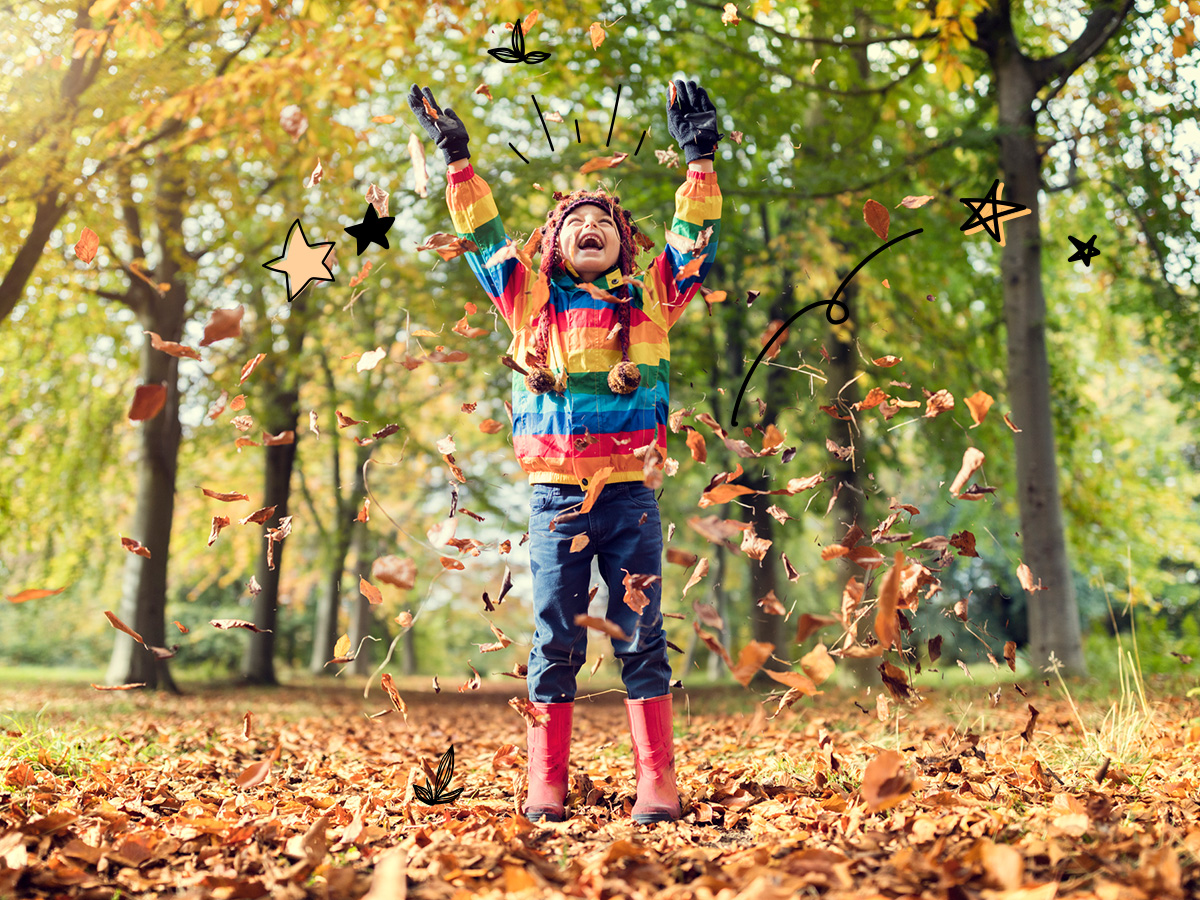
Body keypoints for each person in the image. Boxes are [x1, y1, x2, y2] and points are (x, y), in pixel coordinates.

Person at [407, 79, 722, 824]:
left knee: (643, 633)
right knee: (556, 636)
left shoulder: (650, 302)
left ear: (622, 243)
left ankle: (657, 782)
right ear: (553, 244)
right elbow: (484, 240)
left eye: (603, 220)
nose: (590, 224)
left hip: (629, 499)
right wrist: (459, 163)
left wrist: (700, 164)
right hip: (554, 501)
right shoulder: (528, 304)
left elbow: (690, 243)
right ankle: (545, 781)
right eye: (575, 219)